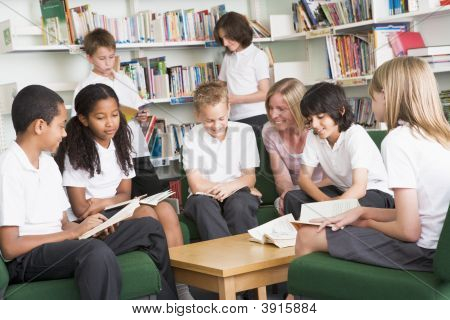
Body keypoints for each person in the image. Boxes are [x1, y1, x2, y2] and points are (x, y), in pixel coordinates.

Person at [0, 85, 176, 299]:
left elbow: (64, 222)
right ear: (39, 126)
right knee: (95, 252)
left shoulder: (48, 164)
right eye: (61, 126)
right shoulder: (9, 168)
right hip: (29, 258)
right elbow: (10, 247)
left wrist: (88, 229)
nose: (65, 133)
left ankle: (170, 305)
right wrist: (72, 234)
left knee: (149, 228)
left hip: (63, 243)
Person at [293, 57, 450, 279]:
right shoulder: (441, 136)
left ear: (385, 95)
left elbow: (409, 230)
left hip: (424, 252)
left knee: (307, 236)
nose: (371, 104)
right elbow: (423, 213)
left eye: (371, 97)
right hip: (442, 247)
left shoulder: (398, 140)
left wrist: (367, 223)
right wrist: (362, 211)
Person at [55, 83, 192, 299]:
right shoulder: (77, 151)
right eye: (101, 118)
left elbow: (125, 194)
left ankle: (181, 287)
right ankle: (161, 291)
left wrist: (100, 201)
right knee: (147, 214)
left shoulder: (121, 141)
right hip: (90, 220)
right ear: (84, 119)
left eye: (115, 115)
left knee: (165, 210)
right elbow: (81, 209)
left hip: (112, 208)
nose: (110, 123)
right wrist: (107, 202)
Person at [284, 82, 394, 219]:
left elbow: (359, 188)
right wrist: (326, 202)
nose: (315, 125)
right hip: (342, 190)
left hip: (374, 192)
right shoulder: (315, 137)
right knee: (292, 197)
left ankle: (328, 231)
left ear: (340, 111)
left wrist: (333, 207)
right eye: (310, 119)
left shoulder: (355, 134)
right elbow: (303, 178)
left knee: (355, 208)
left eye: (320, 117)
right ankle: (303, 234)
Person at [72, 28, 159, 198]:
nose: (108, 63)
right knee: (127, 199)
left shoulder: (124, 79)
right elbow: (79, 122)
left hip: (137, 147)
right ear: (89, 58)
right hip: (110, 153)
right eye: (102, 58)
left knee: (154, 193)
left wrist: (142, 116)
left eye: (111, 57)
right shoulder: (85, 86)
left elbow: (137, 108)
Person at [182, 81, 260, 240]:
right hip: (203, 195)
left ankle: (248, 257)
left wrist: (232, 188)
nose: (217, 126)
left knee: (239, 204)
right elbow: (196, 184)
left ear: (229, 109)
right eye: (209, 120)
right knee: (203, 205)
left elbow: (249, 177)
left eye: (221, 118)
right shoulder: (191, 137)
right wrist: (227, 189)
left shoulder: (245, 131)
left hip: (237, 191)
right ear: (198, 115)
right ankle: (223, 258)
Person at [262, 78, 323, 215]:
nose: (273, 115)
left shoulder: (318, 129)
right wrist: (288, 194)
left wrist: (304, 193)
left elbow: (332, 177)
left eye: (281, 109)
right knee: (282, 203)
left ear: (297, 108)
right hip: (295, 191)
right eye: (270, 108)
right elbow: (282, 178)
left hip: (323, 188)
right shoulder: (269, 131)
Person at [214, 12, 270, 136]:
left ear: (239, 32)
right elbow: (220, 85)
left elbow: (265, 93)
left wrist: (236, 99)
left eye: (228, 38)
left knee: (255, 155)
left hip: (256, 117)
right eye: (222, 39)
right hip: (233, 119)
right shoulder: (228, 57)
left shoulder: (258, 56)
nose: (224, 43)